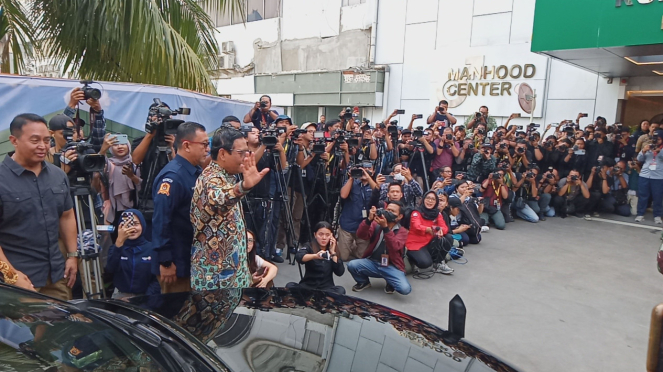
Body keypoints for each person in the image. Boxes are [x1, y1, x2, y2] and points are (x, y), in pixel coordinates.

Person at [0, 114, 78, 300]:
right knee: (21, 329)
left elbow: (66, 216)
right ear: (14, 141)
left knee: (58, 328)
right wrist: (12, 275)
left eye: (46, 140)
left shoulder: (58, 175)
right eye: (35, 140)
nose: (42, 146)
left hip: (58, 276)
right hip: (18, 281)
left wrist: (73, 255)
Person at [190, 125, 269, 290]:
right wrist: (244, 187)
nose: (246, 157)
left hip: (232, 277)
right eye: (241, 153)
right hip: (216, 280)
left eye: (247, 152)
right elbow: (219, 200)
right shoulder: (210, 178)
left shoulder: (228, 176)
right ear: (223, 153)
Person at [151, 122, 208, 293]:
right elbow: (161, 220)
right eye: (204, 144)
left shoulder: (194, 172)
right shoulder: (173, 177)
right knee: (175, 313)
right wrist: (165, 261)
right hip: (175, 263)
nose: (207, 149)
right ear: (187, 145)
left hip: (190, 258)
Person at [348, 201, 411, 295]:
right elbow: (361, 235)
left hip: (391, 266)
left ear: (399, 216)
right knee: (352, 265)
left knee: (405, 289)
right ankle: (363, 282)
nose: (388, 212)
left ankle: (390, 282)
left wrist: (386, 228)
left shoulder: (402, 231)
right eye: (387, 210)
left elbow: (395, 247)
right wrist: (369, 220)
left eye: (392, 211)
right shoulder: (376, 224)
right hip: (373, 262)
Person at [105, 209, 159, 299]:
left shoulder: (151, 248)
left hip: (146, 296)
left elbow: (157, 279)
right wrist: (119, 243)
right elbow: (110, 269)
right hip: (120, 296)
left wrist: (146, 299)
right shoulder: (115, 248)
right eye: (127, 224)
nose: (132, 228)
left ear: (142, 224)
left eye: (135, 224)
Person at [287, 221, 346, 294]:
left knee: (340, 290)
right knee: (290, 286)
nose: (324, 238)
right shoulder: (309, 246)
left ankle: (322, 301)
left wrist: (333, 253)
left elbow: (340, 272)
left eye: (327, 235)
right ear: (315, 235)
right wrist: (315, 256)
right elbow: (299, 257)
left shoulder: (334, 249)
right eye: (320, 234)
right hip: (308, 286)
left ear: (331, 236)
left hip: (326, 288)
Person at [405, 191, 453, 274]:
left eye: (433, 199)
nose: (430, 201)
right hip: (416, 243)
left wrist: (440, 230)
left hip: (430, 242)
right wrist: (429, 229)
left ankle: (437, 263)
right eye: (428, 198)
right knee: (425, 263)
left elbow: (445, 228)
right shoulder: (416, 212)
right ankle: (412, 259)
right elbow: (417, 226)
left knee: (448, 237)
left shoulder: (437, 214)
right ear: (423, 199)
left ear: (436, 202)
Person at [337, 163, 375, 261]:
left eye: (368, 168)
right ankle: (345, 245)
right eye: (363, 169)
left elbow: (378, 193)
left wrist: (369, 178)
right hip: (348, 224)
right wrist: (351, 177)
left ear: (373, 171)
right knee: (343, 257)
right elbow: (343, 195)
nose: (365, 171)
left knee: (361, 257)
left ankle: (353, 246)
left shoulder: (374, 184)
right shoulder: (352, 182)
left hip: (363, 226)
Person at [102, 140, 141, 225]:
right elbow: (99, 164)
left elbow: (141, 185)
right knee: (116, 235)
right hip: (114, 210)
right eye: (115, 145)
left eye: (123, 143)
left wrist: (131, 176)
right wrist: (103, 149)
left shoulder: (135, 163)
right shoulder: (109, 164)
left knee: (131, 233)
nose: (120, 147)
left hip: (134, 208)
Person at [635, 130, 663, 224]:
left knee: (657, 197)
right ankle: (640, 214)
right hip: (645, 175)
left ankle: (657, 215)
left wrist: (660, 152)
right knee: (643, 195)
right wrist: (643, 151)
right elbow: (639, 159)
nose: (656, 141)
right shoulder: (648, 146)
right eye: (655, 139)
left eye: (658, 139)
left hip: (658, 177)